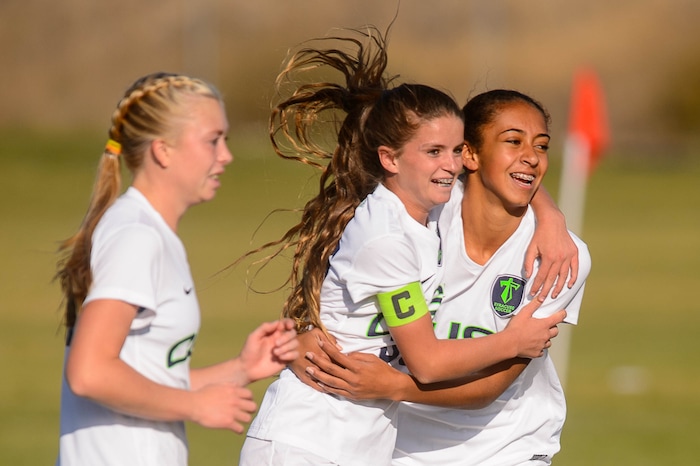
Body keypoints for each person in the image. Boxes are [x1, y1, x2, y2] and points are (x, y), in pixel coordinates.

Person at [239, 28, 570, 466]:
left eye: (454, 150)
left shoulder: (427, 211)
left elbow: (501, 177)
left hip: (356, 446)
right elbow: (428, 362)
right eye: (433, 151)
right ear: (390, 159)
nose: (449, 165)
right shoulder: (388, 238)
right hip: (309, 440)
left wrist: (550, 217)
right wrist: (512, 341)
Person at [297, 89, 591, 465]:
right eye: (513, 141)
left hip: (508, 448)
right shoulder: (424, 212)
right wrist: (299, 337)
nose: (532, 157)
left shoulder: (562, 256)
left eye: (542, 146)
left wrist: (393, 385)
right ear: (468, 153)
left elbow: (490, 386)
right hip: (401, 447)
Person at [54, 72, 299, 466]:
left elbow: (146, 382)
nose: (226, 156)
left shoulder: (150, 233)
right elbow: (89, 372)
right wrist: (194, 405)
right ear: (163, 151)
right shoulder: (137, 236)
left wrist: (240, 369)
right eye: (212, 140)